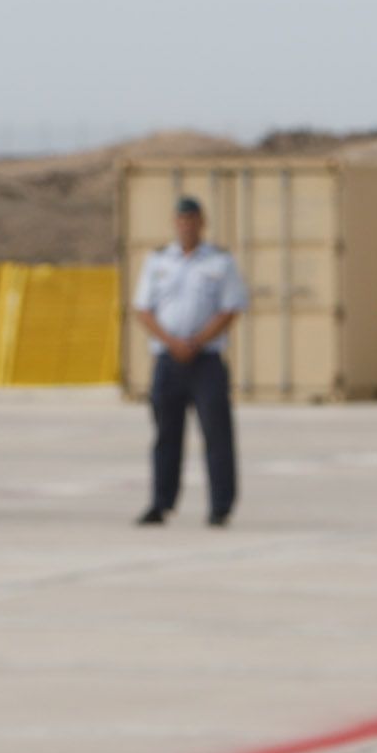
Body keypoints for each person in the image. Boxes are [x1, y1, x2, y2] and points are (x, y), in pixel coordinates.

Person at [130, 195, 246, 526]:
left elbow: (231, 308)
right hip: (168, 359)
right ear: (174, 223)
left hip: (206, 359)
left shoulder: (220, 262)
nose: (186, 225)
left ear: (201, 222)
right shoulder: (158, 261)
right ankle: (161, 502)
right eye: (181, 220)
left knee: (217, 434)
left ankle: (220, 506)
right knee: (166, 433)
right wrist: (172, 342)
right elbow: (143, 309)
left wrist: (196, 341)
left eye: (192, 219)